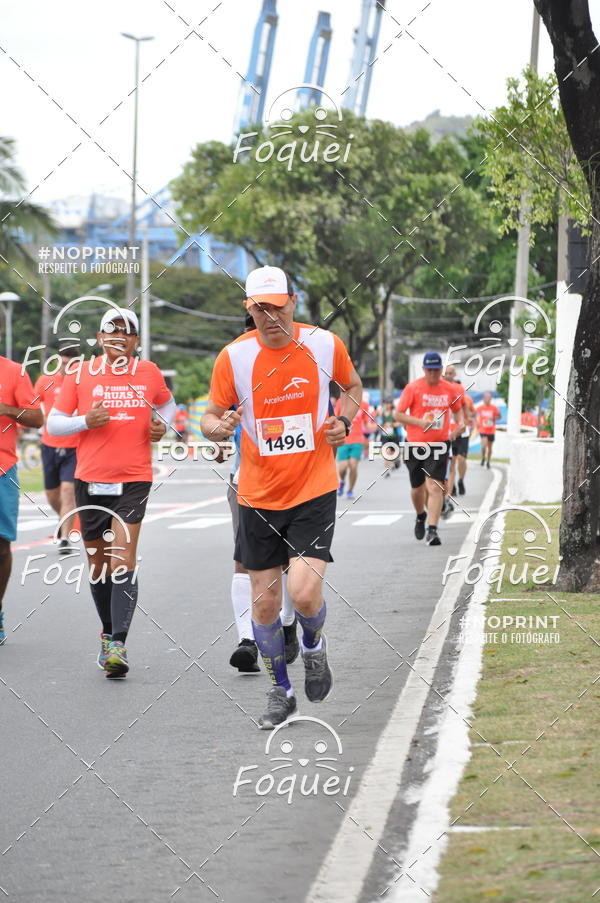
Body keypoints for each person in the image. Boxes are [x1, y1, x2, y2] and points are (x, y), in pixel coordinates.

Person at [201, 265, 362, 729]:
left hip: (313, 488)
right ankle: (281, 691)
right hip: (257, 495)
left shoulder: (324, 345)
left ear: (293, 301)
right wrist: (220, 427)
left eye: (277, 305)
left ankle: (313, 645)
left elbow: (351, 388)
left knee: (305, 593)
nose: (270, 315)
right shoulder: (233, 358)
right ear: (248, 309)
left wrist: (343, 421)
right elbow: (209, 417)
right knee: (266, 606)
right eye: (260, 307)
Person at [47, 308, 175, 678]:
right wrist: (85, 421)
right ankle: (107, 632)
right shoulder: (80, 373)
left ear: (136, 340)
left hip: (134, 479)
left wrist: (160, 425)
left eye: (127, 332)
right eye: (111, 331)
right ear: (100, 339)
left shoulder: (148, 373)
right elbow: (56, 420)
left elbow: (166, 404)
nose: (119, 338)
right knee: (99, 566)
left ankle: (119, 642)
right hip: (90, 480)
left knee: (123, 559)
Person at [226, 314, 299, 674]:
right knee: (246, 561)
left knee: (286, 562)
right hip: (246, 482)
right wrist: (218, 431)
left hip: (295, 483)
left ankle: (287, 623)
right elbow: (214, 419)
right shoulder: (231, 373)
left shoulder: (296, 368)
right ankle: (247, 641)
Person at [395, 351, 464, 546]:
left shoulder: (450, 389)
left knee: (434, 486)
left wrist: (459, 426)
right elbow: (398, 415)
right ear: (424, 369)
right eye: (429, 370)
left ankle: (432, 530)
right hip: (415, 444)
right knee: (417, 489)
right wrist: (419, 422)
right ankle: (420, 515)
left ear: (441, 370)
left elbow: (458, 414)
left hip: (439, 444)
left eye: (436, 370)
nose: (433, 374)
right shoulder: (413, 388)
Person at [0, 354, 43, 644]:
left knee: (1, 547)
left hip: (3, 470)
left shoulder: (14, 372)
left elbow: (37, 418)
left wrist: (5, 408)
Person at [34, 347, 81, 555]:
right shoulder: (45, 381)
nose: (66, 368)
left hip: (75, 447)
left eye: (71, 364)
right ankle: (64, 519)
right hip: (50, 445)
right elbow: (32, 406)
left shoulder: (83, 383)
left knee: (68, 491)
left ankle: (64, 538)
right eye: (63, 363)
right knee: (52, 496)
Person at [443, 364, 476, 497]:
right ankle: (451, 489)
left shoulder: (460, 391)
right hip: (448, 433)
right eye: (447, 373)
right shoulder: (439, 390)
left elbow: (466, 410)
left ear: (455, 375)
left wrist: (468, 422)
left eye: (451, 373)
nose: (449, 376)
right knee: (452, 462)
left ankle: (461, 480)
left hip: (461, 431)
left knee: (461, 459)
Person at [335, 390, 370, 499]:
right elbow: (336, 418)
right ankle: (342, 482)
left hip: (357, 439)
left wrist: (373, 429)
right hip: (344, 439)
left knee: (353, 465)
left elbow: (366, 423)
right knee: (342, 468)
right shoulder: (341, 402)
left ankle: (350, 490)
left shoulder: (364, 404)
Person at [377, 397, 403, 477]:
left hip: (394, 436)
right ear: (383, 404)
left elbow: (400, 423)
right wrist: (382, 426)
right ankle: (387, 471)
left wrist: (391, 425)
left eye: (389, 403)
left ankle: (396, 461)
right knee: (386, 453)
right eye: (386, 403)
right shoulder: (381, 413)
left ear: (391, 404)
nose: (387, 405)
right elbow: (377, 424)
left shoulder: (394, 413)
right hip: (385, 436)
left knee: (393, 453)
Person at [478, 391, 501, 469]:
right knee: (484, 445)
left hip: (491, 430)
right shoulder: (480, 408)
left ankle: (488, 461)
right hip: (483, 429)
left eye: (489, 398)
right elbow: (475, 416)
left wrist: (493, 418)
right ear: (483, 399)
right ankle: (483, 457)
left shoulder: (494, 408)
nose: (488, 400)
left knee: (490, 447)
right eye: (486, 398)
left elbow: (499, 417)